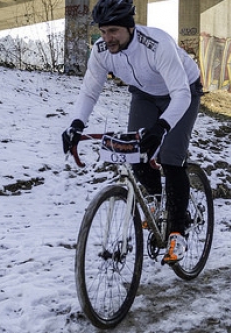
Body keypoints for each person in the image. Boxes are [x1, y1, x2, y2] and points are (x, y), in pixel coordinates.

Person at [62, 0, 203, 264]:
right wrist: (76, 124)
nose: (107, 38)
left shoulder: (157, 44)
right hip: (145, 95)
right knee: (134, 154)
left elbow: (181, 94)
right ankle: (158, 203)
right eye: (103, 31)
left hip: (184, 91)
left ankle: (177, 231)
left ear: (130, 27)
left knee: (171, 158)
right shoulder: (102, 49)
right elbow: (90, 90)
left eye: (113, 31)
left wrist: (162, 127)